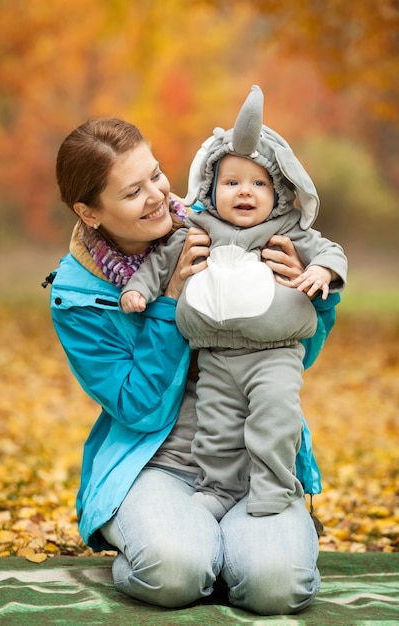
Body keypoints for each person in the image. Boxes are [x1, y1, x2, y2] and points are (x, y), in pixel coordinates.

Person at [45, 111, 341, 616]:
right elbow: (139, 408)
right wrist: (168, 302)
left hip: (255, 457)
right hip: (156, 463)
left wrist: (310, 297)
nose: (160, 195)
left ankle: (233, 544)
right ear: (89, 212)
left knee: (276, 587)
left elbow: (296, 359)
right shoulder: (77, 296)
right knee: (174, 573)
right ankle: (170, 544)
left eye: (156, 174)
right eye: (133, 191)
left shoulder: (224, 224)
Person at [120, 85, 347, 521]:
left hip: (273, 355)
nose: (245, 192)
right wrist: (139, 290)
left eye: (259, 183)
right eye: (232, 182)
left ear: (279, 192)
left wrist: (321, 272)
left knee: (275, 417)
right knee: (216, 427)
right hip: (216, 356)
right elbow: (164, 261)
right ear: (211, 186)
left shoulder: (287, 230)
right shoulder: (197, 227)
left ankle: (275, 487)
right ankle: (219, 489)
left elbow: (330, 251)